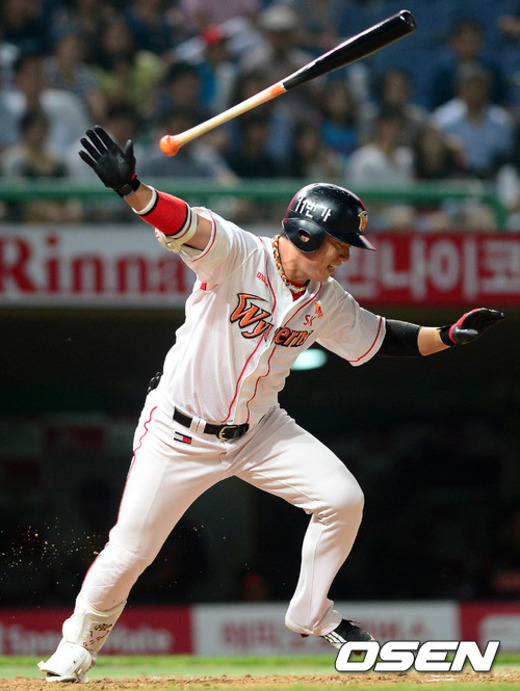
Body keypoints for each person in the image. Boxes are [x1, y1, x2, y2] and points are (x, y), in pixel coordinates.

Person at [38, 126, 504, 682]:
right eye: (340, 244)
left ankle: (312, 614)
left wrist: (446, 336)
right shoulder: (238, 253)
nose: (346, 257)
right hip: (178, 433)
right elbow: (183, 223)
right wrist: (132, 190)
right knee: (131, 551)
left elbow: (382, 337)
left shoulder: (326, 299)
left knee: (342, 499)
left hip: (259, 431)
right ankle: (78, 645)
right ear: (306, 234)